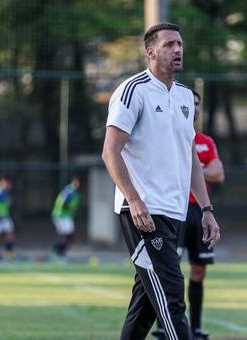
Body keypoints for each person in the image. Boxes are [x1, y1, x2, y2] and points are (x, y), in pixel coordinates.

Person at [101, 22, 220, 340]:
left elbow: (190, 156)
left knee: (145, 306)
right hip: (143, 213)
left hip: (176, 212)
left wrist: (206, 209)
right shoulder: (132, 91)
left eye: (180, 44)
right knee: (171, 296)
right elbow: (110, 152)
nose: (177, 49)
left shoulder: (184, 97)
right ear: (150, 51)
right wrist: (135, 200)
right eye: (169, 44)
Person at [154, 89, 225, 340]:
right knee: (169, 269)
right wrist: (198, 165)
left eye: (197, 104)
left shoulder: (206, 141)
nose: (193, 108)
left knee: (198, 270)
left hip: (199, 211)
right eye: (189, 103)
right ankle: (165, 325)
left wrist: (191, 166)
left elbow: (218, 174)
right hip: (174, 208)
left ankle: (194, 328)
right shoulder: (169, 136)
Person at [51, 177, 81, 260]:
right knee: (66, 234)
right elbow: (64, 203)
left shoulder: (72, 192)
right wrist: (68, 208)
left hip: (65, 215)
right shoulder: (69, 191)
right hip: (62, 215)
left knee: (67, 235)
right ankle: (58, 252)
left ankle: (58, 251)